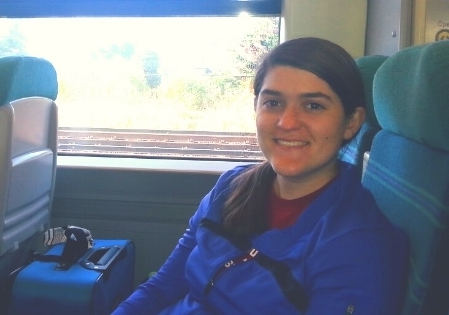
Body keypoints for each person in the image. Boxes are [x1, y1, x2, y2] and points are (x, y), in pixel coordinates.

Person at [112, 37, 408, 315]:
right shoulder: (230, 187)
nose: (287, 122)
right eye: (273, 102)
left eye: (313, 105)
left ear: (351, 122)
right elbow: (164, 285)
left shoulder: (357, 244)